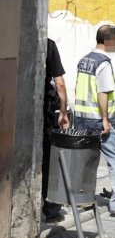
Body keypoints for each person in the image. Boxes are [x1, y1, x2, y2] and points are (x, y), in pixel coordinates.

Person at [74, 25, 115, 217]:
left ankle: (82, 199)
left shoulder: (83, 60)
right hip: (99, 122)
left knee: (86, 161)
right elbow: (103, 92)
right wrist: (105, 119)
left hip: (82, 120)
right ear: (108, 41)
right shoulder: (103, 63)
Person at [42, 39, 70, 222]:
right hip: (44, 112)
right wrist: (64, 111)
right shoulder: (48, 45)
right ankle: (51, 210)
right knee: (49, 159)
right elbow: (59, 83)